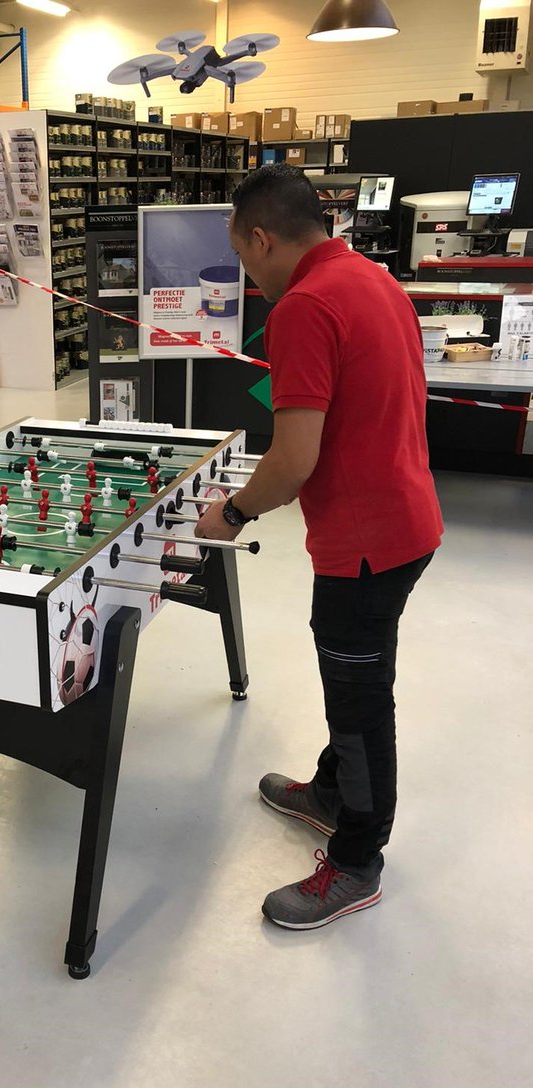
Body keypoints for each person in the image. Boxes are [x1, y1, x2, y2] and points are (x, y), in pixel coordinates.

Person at [194, 164, 443, 929]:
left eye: (242, 258)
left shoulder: (303, 305)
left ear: (262, 238)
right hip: (407, 518)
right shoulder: (369, 278)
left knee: (360, 699)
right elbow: (352, 386)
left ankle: (358, 859)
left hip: (366, 543)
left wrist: (231, 512)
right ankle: (332, 792)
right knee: (349, 671)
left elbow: (294, 462)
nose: (247, 276)